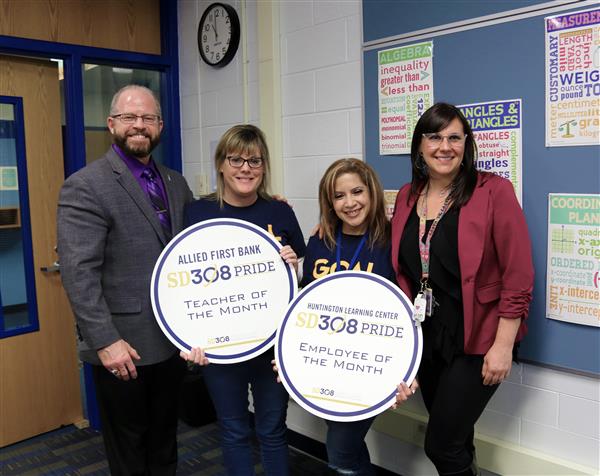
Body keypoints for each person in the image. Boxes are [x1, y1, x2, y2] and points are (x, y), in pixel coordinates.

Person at [391, 103, 534, 476]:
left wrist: (503, 346)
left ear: (466, 144)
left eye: (454, 138)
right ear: (419, 145)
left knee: (441, 445)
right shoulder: (408, 195)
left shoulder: (493, 191)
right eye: (434, 137)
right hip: (428, 336)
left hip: (478, 337)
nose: (445, 146)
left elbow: (518, 274)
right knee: (457, 439)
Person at [57, 84, 193, 475]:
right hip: (122, 345)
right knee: (129, 451)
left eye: (148, 118)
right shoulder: (86, 184)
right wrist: (104, 341)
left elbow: (196, 243)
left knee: (165, 442)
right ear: (111, 123)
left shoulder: (175, 182)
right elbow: (78, 271)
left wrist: (266, 206)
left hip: (171, 339)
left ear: (160, 126)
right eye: (129, 117)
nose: (139, 125)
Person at [181, 124, 306, 475]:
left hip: (272, 344)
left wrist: (293, 266)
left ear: (264, 167)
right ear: (221, 164)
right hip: (221, 346)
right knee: (233, 429)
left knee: (272, 429)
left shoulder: (279, 212)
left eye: (254, 160)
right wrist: (187, 336)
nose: (245, 168)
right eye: (236, 159)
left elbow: (296, 278)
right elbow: (183, 281)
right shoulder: (196, 213)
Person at [301, 158, 418, 476]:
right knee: (349, 448)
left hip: (369, 366)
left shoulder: (393, 242)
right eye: (339, 196)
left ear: (372, 193)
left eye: (357, 192)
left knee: (340, 453)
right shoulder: (320, 241)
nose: (349, 203)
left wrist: (410, 369)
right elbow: (305, 306)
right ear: (330, 202)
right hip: (325, 362)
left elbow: (408, 312)